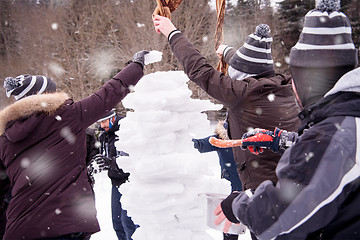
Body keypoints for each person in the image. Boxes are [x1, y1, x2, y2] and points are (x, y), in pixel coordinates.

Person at [214, 0, 360, 239]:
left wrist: (238, 204)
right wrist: (279, 140)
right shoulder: (347, 121)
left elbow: (276, 216)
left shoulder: (339, 135)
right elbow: (330, 156)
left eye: (295, 76)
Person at [153, 15, 300, 239]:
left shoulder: (243, 94)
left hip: (266, 199)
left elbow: (200, 71)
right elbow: (248, 63)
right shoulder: (284, 88)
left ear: (244, 76)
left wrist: (172, 33)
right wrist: (228, 51)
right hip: (292, 192)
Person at [0, 50, 149, 240]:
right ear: (42, 95)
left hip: (19, 230)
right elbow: (108, 94)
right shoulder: (67, 116)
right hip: (64, 226)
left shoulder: (4, 139)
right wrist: (136, 66)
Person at [192, 120, 244, 240]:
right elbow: (199, 145)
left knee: (259, 230)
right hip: (230, 193)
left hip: (252, 192)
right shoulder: (220, 139)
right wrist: (180, 138)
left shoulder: (249, 138)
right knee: (230, 231)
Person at [95, 109, 138, 240]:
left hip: (131, 183)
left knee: (129, 224)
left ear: (113, 118)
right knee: (117, 223)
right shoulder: (104, 134)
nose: (102, 125)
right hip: (116, 183)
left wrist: (112, 162)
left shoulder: (127, 129)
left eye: (104, 121)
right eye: (100, 122)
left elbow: (132, 159)